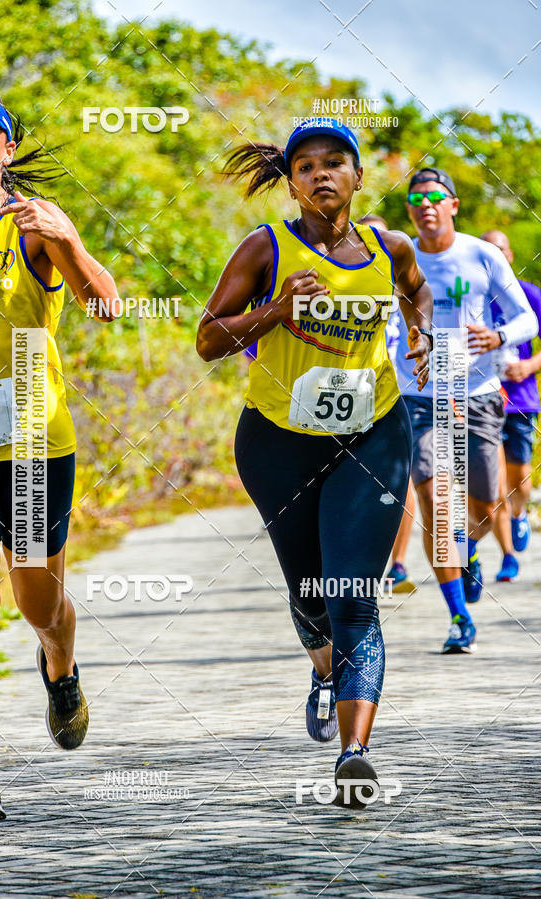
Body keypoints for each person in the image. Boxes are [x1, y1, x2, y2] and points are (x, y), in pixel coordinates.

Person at [197, 119, 432, 807]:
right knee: (311, 595)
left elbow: (416, 290)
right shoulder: (264, 246)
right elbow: (209, 339)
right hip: (277, 441)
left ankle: (354, 755)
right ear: (291, 182)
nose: (322, 174)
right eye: (306, 166)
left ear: (359, 177)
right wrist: (274, 310)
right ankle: (324, 670)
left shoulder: (390, 246)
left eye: (336, 163)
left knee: (355, 596)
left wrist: (417, 329)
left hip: (373, 432)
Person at [0, 89, 118, 824]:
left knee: (39, 602)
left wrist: (71, 242)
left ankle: (61, 665)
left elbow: (106, 303)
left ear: (8, 151)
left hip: (33, 448)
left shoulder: (33, 230)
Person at [394, 169, 537, 653]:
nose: (426, 204)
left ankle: (470, 550)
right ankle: (458, 616)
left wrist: (499, 337)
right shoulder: (397, 256)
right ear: (410, 209)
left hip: (477, 393)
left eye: (436, 196)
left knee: (481, 501)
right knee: (437, 501)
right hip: (418, 396)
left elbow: (526, 318)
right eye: (417, 198)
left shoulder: (483, 254)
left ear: (453, 204)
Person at [358, 216, 417, 591]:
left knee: (403, 481)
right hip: (359, 394)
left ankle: (397, 562)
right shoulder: (350, 287)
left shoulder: (407, 288)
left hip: (406, 393)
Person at [480, 230, 541, 581]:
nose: (495, 256)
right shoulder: (471, 295)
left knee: (520, 476)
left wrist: (529, 366)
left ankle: (519, 515)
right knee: (496, 481)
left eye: (500, 250)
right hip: (482, 399)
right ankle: (507, 556)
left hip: (521, 399)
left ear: (511, 255)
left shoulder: (529, 295)